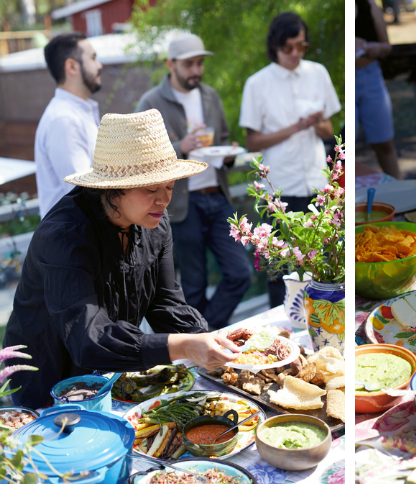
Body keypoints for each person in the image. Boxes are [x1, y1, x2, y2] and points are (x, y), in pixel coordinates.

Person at [3, 110, 242, 409]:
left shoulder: (155, 220)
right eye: (151, 188)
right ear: (112, 189)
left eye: (170, 186)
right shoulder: (64, 236)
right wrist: (183, 347)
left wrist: (211, 343)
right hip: (48, 379)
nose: (164, 200)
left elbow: (165, 304)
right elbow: (88, 338)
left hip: (111, 374)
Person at [136, 33, 252, 331]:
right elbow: (141, 159)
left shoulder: (210, 95)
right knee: (194, 284)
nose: (196, 70)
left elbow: (223, 140)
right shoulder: (151, 102)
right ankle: (199, 347)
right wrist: (181, 148)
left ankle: (203, 334)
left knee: (241, 272)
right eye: (189, 64)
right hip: (180, 203)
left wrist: (229, 154)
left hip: (218, 196)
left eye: (200, 63)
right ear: (170, 64)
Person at [240, 12, 341, 308]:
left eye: (301, 46)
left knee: (323, 268)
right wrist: (295, 127)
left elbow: (328, 130)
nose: (295, 53)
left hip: (316, 183)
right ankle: (279, 335)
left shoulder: (318, 73)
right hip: (279, 190)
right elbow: (252, 141)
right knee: (280, 272)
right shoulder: (256, 83)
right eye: (288, 48)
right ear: (275, 47)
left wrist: (314, 123)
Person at [35, 32, 102, 218]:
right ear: (72, 66)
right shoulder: (64, 120)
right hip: (75, 242)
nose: (100, 65)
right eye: (93, 58)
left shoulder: (76, 114)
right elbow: (84, 193)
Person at [355, 0, 402, 179]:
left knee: (384, 143)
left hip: (369, 76)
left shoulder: (369, 6)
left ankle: (399, 192)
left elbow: (387, 46)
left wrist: (375, 48)